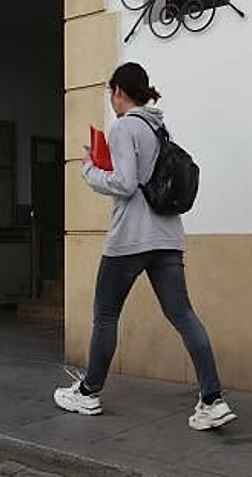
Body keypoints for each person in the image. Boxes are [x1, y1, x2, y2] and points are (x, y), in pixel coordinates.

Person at [54, 62, 236, 431]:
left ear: (119, 91)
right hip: (167, 237)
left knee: (105, 315)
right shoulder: (158, 126)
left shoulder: (124, 126)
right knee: (183, 314)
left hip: (130, 239)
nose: (111, 101)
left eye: (111, 94)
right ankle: (213, 399)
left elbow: (123, 183)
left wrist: (89, 168)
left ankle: (88, 392)